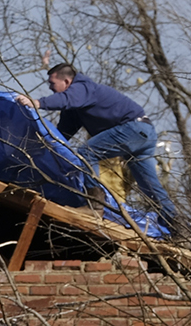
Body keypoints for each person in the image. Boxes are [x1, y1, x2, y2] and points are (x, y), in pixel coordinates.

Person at [14, 63, 179, 235]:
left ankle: (94, 205)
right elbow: (62, 134)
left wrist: (37, 103)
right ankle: (176, 225)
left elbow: (66, 99)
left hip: (134, 128)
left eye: (52, 84)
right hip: (144, 133)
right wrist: (38, 147)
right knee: (149, 185)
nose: (50, 88)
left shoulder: (83, 87)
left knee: (87, 152)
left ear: (67, 81)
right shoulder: (76, 106)